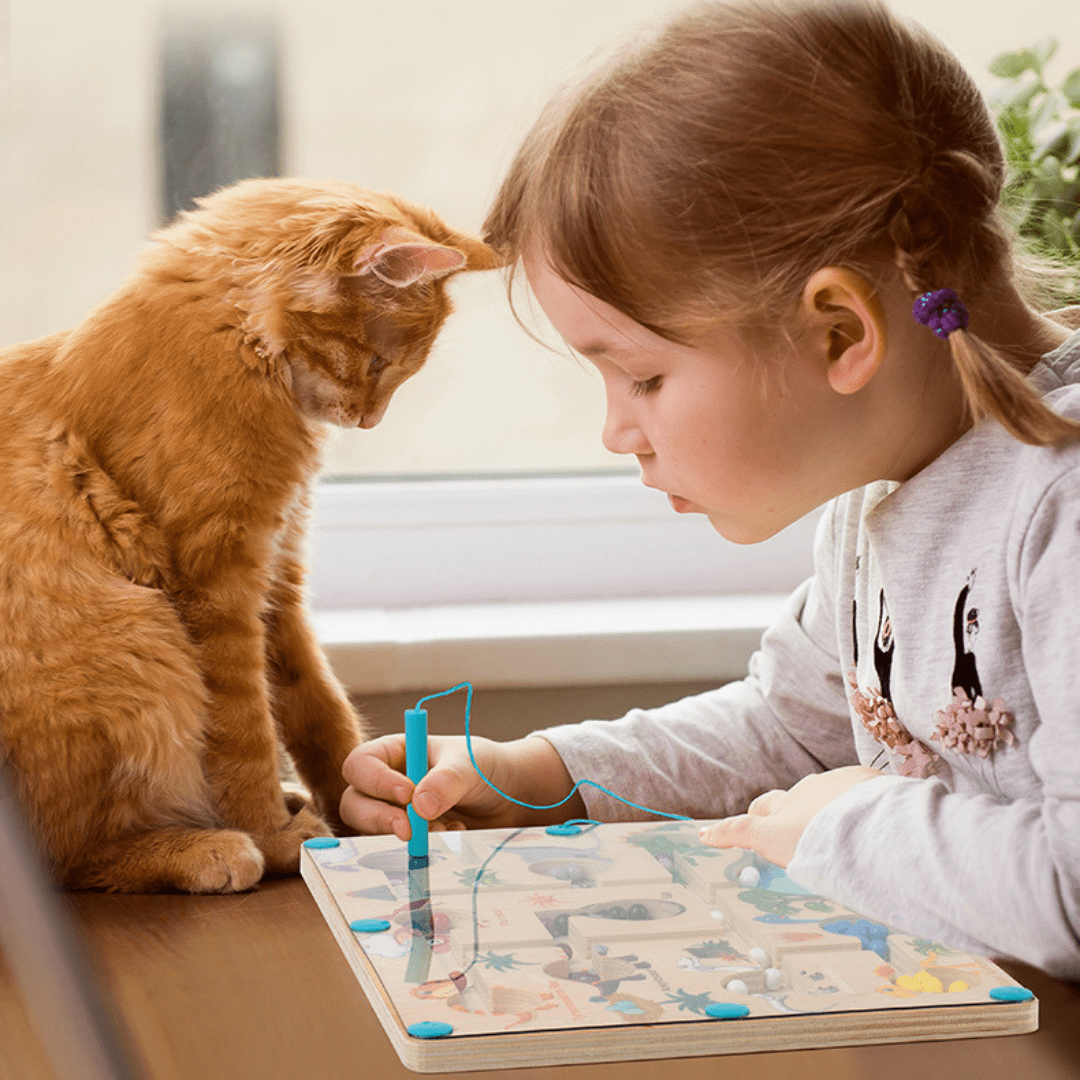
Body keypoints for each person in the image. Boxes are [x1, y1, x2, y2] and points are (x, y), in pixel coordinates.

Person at [340, 0, 1080, 977]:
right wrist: (545, 777)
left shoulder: (1056, 510)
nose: (616, 430)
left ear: (839, 335)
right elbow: (787, 731)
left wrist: (844, 827)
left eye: (642, 376)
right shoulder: (880, 497)